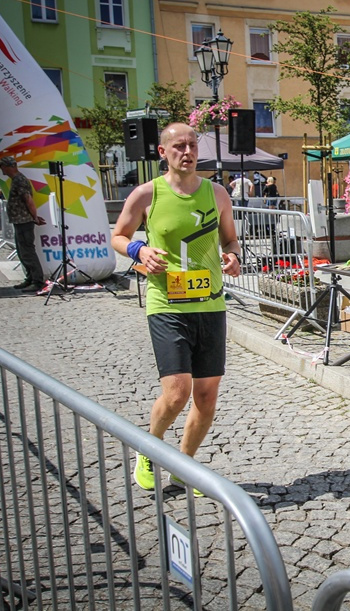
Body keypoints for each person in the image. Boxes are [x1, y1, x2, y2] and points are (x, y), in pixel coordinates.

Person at [110, 122, 242, 494]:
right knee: (176, 392)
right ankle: (148, 449)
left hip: (210, 304)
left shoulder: (217, 193)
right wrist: (139, 250)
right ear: (163, 152)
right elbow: (118, 236)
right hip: (166, 304)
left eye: (192, 145)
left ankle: (185, 465)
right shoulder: (146, 194)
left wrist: (233, 257)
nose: (187, 152)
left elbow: (230, 241)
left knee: (206, 396)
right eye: (179, 146)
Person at [0, 157, 46, 291]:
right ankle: (30, 278)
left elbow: (28, 199)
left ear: (10, 166)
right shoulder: (16, 180)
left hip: (24, 221)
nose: (2, 169)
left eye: (2, 166)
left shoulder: (19, 180)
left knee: (27, 252)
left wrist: (35, 217)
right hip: (19, 221)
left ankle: (37, 281)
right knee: (22, 252)